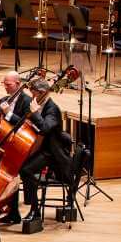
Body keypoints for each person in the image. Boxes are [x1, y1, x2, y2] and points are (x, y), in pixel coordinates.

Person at [19, 77, 75, 224]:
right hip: (41, 147)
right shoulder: (38, 103)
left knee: (26, 170)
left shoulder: (52, 109)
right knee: (22, 167)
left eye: (34, 93)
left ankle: (35, 211)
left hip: (52, 152)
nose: (32, 97)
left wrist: (35, 114)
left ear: (42, 92)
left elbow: (45, 128)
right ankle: (31, 205)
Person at [0, 70, 32, 224]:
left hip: (18, 145)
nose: (5, 87)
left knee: (9, 175)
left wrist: (8, 114)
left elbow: (24, 124)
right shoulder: (3, 99)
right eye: (4, 84)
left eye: (8, 84)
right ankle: (8, 210)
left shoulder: (27, 101)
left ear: (18, 84)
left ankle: (10, 211)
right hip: (4, 142)